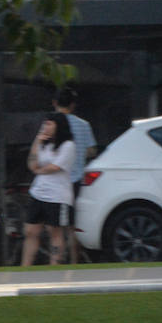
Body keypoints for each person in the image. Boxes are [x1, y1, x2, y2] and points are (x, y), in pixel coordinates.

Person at [21, 112, 75, 267]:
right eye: (45, 124)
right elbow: (32, 163)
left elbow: (55, 167)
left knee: (54, 232)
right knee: (31, 231)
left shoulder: (68, 146)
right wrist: (37, 142)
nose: (46, 127)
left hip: (57, 196)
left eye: (49, 124)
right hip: (38, 192)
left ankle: (54, 266)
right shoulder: (44, 144)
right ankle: (25, 266)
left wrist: (39, 170)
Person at [53, 87, 97, 263]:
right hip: (75, 180)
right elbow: (92, 151)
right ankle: (73, 261)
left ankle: (56, 261)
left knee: (56, 226)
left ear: (54, 103)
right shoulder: (83, 125)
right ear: (73, 105)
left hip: (55, 180)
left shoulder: (51, 124)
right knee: (72, 225)